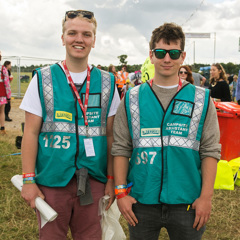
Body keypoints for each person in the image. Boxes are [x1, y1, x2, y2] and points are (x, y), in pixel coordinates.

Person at [112, 22, 221, 240]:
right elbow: (121, 148)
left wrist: (206, 197)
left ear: (183, 56)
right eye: (161, 52)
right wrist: (121, 193)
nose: (167, 59)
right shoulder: (131, 98)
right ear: (151, 55)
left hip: (187, 202)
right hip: (142, 201)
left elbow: (210, 151)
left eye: (173, 53)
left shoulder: (201, 99)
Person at [20, 9, 120, 239]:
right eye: (72, 33)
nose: (79, 39)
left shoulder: (107, 82)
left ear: (94, 40)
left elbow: (111, 136)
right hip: (53, 180)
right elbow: (31, 133)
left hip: (94, 179)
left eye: (86, 34)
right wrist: (28, 180)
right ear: (62, 37)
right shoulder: (43, 78)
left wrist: (112, 179)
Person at [0, 51, 11, 135]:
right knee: (1, 111)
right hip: (1, 93)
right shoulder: (3, 68)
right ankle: (2, 128)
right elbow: (7, 83)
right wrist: (8, 95)